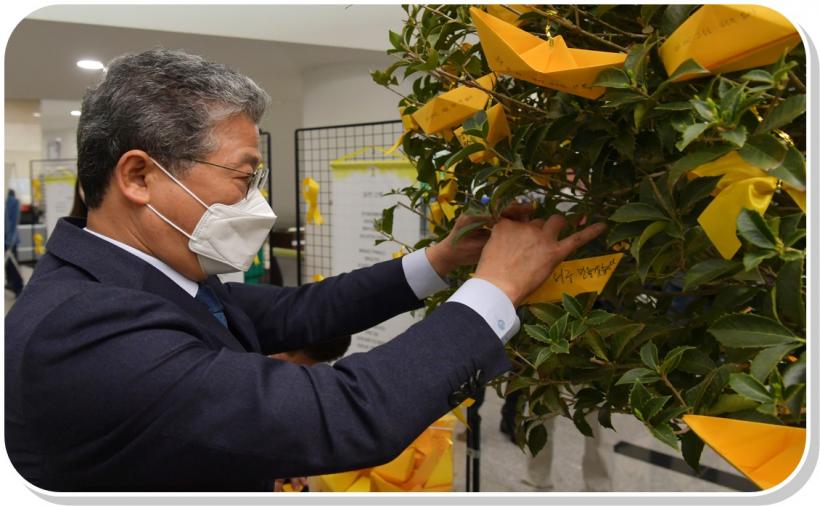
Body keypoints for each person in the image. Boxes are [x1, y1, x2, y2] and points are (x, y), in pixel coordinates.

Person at [4, 48, 606, 491]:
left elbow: (305, 310)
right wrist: (496, 288)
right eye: (243, 177)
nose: (256, 202)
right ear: (139, 176)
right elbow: (342, 413)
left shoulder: (149, 276)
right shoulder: (84, 325)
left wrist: (443, 260)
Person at [4, 189, 24, 297]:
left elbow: (12, 223)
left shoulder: (13, 202)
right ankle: (11, 283)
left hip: (9, 240)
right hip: (7, 239)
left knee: (12, 264)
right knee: (9, 265)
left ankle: (18, 288)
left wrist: (10, 242)